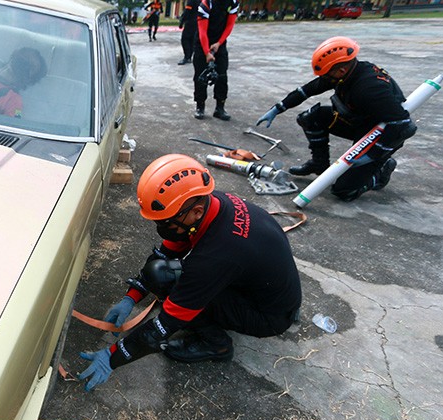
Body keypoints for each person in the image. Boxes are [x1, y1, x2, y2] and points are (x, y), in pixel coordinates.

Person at [79, 154, 302, 391]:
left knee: (172, 285)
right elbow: (165, 255)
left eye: (167, 222)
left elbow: (163, 326)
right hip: (260, 289)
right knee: (163, 273)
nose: (162, 229)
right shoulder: (209, 205)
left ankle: (217, 346)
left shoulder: (216, 255)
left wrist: (112, 357)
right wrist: (130, 296)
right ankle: (215, 317)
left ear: (195, 211)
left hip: (269, 316)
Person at [256, 36, 416, 201]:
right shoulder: (348, 72)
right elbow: (308, 89)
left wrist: (373, 154)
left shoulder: (370, 88)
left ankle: (381, 173)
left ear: (340, 71)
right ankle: (319, 164)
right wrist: (278, 108)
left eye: (326, 75)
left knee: (343, 191)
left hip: (380, 135)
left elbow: (403, 126)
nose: (324, 79)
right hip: (358, 121)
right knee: (311, 118)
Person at [192, 0, 238, 120]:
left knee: (222, 75)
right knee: (200, 76)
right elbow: (202, 31)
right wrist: (207, 52)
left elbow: (229, 25)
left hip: (220, 42)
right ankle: (200, 106)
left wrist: (219, 43)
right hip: (202, 42)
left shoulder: (232, 2)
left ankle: (220, 107)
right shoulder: (206, 4)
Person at [178, 0, 198, 65]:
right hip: (198, 22)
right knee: (192, 39)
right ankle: (189, 56)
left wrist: (182, 21)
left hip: (191, 22)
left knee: (185, 39)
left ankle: (187, 57)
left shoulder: (191, 1)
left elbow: (187, 11)